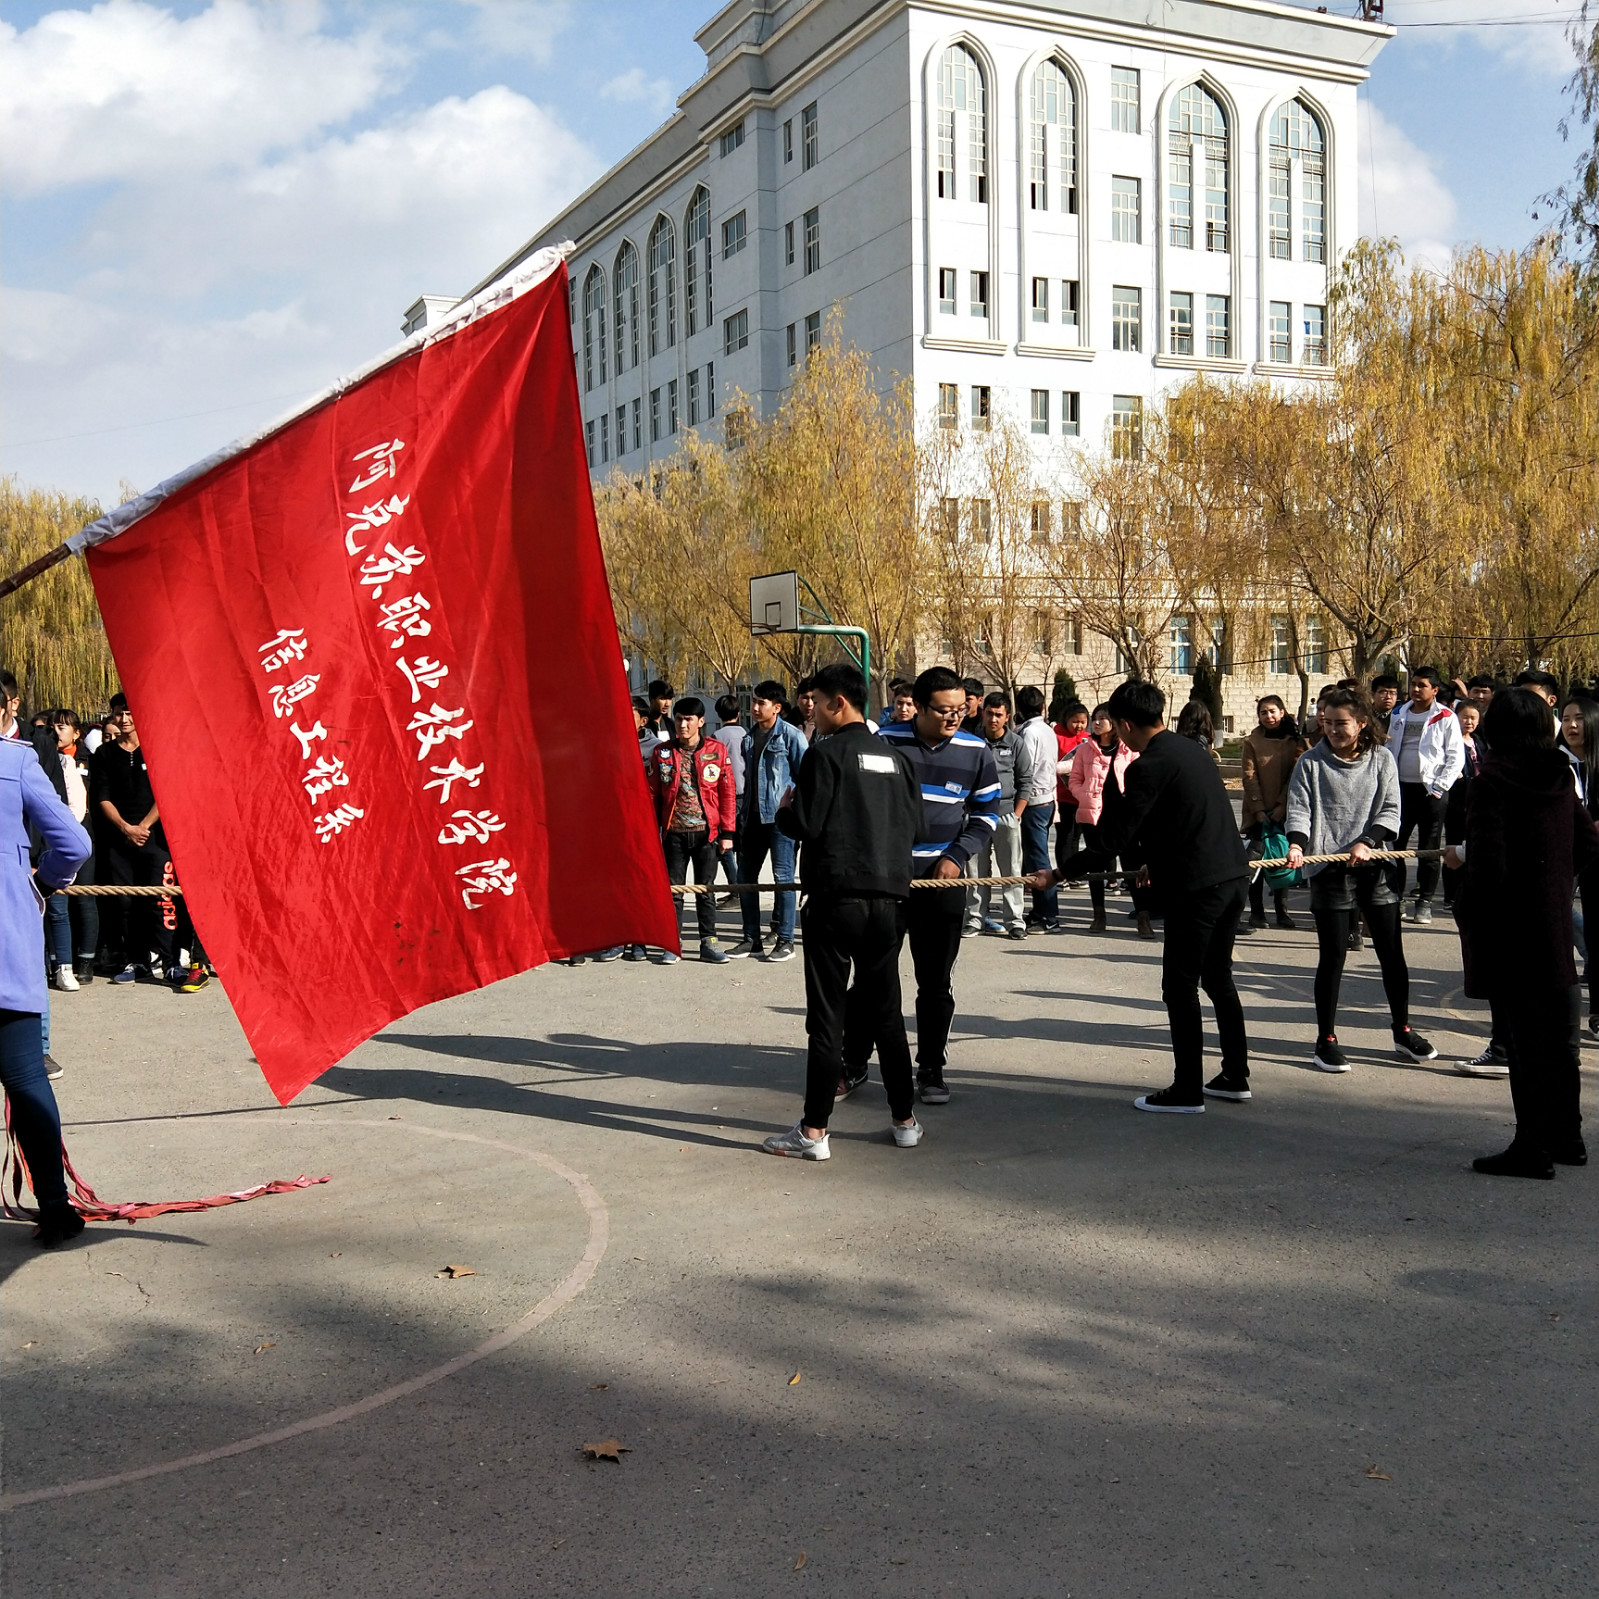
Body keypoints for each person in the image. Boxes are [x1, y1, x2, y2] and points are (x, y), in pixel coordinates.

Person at [1037, 679, 1251, 1111]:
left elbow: (1112, 840)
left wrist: (1060, 872)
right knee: (1217, 978)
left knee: (1180, 987)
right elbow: (1182, 817)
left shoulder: (1148, 765)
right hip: (1232, 878)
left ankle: (1187, 1089)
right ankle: (1234, 1075)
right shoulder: (1191, 748)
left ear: (1126, 723)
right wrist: (1156, 856)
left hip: (1199, 888)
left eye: (1117, 724)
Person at [761, 663, 926, 1159]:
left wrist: (788, 808)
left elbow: (805, 822)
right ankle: (905, 1120)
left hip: (836, 901)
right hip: (891, 902)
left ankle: (814, 1132)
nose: (811, 711)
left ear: (840, 703)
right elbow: (915, 827)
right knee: (886, 1013)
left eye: (817, 702)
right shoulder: (896, 759)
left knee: (827, 1018)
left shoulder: (824, 755)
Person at [1452, 688, 1599, 1177]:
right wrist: (1556, 880)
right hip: (1553, 924)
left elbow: (1488, 865)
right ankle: (1568, 1137)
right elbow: (1587, 841)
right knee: (1559, 1044)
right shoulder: (1560, 774)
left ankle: (1531, 1146)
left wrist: (1467, 892)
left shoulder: (1490, 779)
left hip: (1511, 931)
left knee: (1523, 1043)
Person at [853, 667, 1000, 1105]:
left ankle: (931, 1068)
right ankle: (854, 1061)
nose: (954, 717)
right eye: (943, 710)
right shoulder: (885, 744)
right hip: (888, 881)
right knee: (872, 976)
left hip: (943, 884)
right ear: (917, 705)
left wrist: (956, 856)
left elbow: (986, 813)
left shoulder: (976, 751)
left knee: (934, 982)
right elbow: (866, 807)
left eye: (961, 709)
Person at [1284, 687, 1435, 1072]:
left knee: (1391, 954)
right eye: (1327, 723)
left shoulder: (1382, 759)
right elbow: (1299, 811)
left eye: (1341, 723)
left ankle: (1402, 1030)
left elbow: (1391, 809)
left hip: (1376, 865)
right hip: (1329, 869)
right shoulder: (1310, 764)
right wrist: (1298, 844)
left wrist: (1368, 841)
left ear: (1361, 723)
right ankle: (1326, 1039)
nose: (1333, 730)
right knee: (1332, 957)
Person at [0, 710, 92, 1245]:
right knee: (27, 1078)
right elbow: (75, 845)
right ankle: (55, 1208)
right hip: (7, 943)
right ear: (6, 712)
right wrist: (43, 882)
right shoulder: (15, 762)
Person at [646, 698, 736, 965]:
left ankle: (709, 943)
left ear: (700, 721)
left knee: (705, 891)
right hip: (673, 833)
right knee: (674, 891)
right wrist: (652, 831)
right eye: (679, 719)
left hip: (706, 834)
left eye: (688, 720)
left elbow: (727, 793)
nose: (683, 725)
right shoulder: (662, 752)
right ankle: (672, 944)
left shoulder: (717, 751)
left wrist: (728, 833)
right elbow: (652, 794)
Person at [732, 681, 807, 962]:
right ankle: (751, 938)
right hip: (751, 818)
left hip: (780, 820)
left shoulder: (791, 736)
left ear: (777, 708)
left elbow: (805, 778)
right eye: (753, 701)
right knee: (744, 879)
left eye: (761, 703)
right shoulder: (748, 738)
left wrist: (794, 814)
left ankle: (785, 940)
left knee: (783, 879)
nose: (754, 707)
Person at [1382, 667, 1464, 924]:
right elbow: (1388, 747)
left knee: (1428, 849)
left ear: (1435, 690)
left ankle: (1424, 901)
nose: (1415, 689)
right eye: (1414, 684)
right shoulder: (1398, 713)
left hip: (1431, 792)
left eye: (1422, 685)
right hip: (1400, 790)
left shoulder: (1446, 716)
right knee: (1396, 846)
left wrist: (1439, 788)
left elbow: (1455, 758)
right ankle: (1398, 898)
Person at [1067, 704, 1144, 936]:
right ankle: (1098, 914)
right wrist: (1084, 795)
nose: (1097, 722)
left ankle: (1143, 915)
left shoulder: (1128, 750)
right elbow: (1074, 779)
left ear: (1115, 723)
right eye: (1095, 718)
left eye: (1103, 718)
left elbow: (1141, 778)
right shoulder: (1085, 750)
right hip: (1093, 815)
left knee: (1132, 865)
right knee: (1095, 866)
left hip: (1124, 818)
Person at [963, 692, 1025, 940]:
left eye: (999, 714)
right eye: (989, 713)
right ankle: (975, 920)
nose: (993, 719)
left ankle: (1015, 921)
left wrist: (1017, 814)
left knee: (1011, 870)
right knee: (976, 872)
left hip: (1006, 815)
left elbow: (1026, 780)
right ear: (983, 713)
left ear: (1007, 716)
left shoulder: (1016, 743)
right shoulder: (972, 742)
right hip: (976, 816)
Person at [1239, 695, 1304, 934]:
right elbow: (1249, 775)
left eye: (1273, 711)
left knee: (1283, 857)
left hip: (1285, 809)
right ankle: (1257, 911)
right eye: (1264, 712)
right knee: (1255, 860)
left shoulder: (1294, 740)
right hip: (1257, 811)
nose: (1269, 716)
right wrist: (1258, 809)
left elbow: (1296, 775)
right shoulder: (1252, 741)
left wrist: (1282, 805)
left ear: (1283, 712)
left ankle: (1282, 910)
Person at [1560, 696, 1599, 1038]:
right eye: (1566, 718)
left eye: (1579, 719)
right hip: (1567, 855)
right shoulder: (1557, 763)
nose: (1571, 725)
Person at [1013, 684, 1061, 933]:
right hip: (1047, 797)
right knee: (1032, 858)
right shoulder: (1047, 730)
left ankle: (1049, 916)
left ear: (1019, 709)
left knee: (1039, 858)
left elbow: (1025, 768)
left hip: (1035, 800)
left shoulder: (1029, 733)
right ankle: (1039, 910)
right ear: (1042, 706)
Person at [712, 693, 747, 895]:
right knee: (742, 844)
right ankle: (742, 884)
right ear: (739, 712)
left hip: (726, 795)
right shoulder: (747, 733)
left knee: (724, 843)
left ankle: (735, 886)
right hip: (745, 794)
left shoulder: (717, 738)